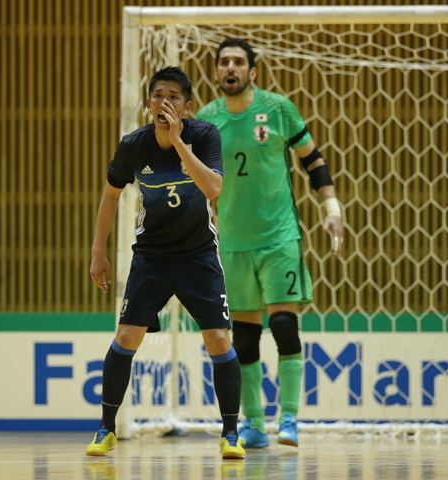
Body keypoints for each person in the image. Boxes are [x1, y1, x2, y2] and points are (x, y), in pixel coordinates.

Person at [87, 66, 245, 460]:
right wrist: (98, 251)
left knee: (219, 340)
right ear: (148, 103)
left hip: (198, 256)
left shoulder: (204, 135)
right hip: (152, 257)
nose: (165, 102)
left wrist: (178, 143)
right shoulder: (133, 145)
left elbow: (213, 188)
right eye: (158, 95)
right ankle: (106, 429)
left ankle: (230, 434)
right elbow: (111, 195)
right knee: (127, 336)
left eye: (174, 97)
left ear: (187, 108)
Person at [197, 38, 344, 448]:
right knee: (244, 338)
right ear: (216, 71)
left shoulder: (278, 109)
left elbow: (313, 159)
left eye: (238, 62)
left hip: (279, 237)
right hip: (233, 243)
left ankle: (290, 419)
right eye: (224, 62)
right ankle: (255, 424)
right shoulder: (206, 119)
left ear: (252, 71)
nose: (230, 67)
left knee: (283, 326)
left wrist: (332, 207)